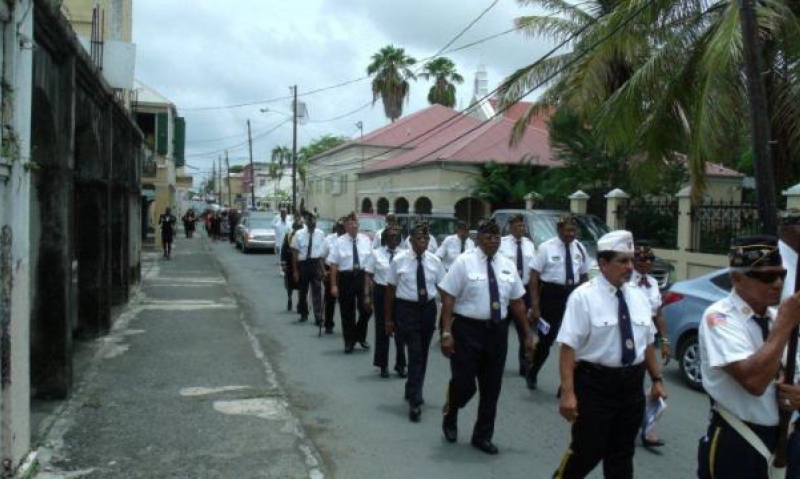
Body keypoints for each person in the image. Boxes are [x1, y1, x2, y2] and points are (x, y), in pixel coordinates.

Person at [552, 230, 667, 479]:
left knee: (622, 455)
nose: (629, 267)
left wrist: (656, 379)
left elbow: (646, 343)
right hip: (595, 387)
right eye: (622, 261)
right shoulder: (583, 297)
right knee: (587, 451)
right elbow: (568, 348)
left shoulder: (638, 296)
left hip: (632, 387)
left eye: (630, 260)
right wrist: (568, 394)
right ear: (603, 263)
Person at [697, 235, 800, 479]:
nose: (776, 283)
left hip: (786, 436)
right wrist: (785, 324)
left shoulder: (776, 318)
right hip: (740, 438)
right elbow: (754, 382)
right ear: (736, 278)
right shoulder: (720, 318)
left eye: (781, 275)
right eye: (766, 276)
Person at [438, 218, 535, 455]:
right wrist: (446, 332)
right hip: (466, 330)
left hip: (497, 332)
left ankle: (482, 436)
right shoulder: (464, 262)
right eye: (487, 236)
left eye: (496, 236)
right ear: (478, 238)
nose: (492, 241)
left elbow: (517, 302)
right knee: (463, 383)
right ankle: (451, 414)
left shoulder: (507, 264)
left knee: (492, 388)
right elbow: (448, 297)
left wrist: (527, 335)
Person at [385, 222, 446, 422]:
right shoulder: (399, 260)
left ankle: (413, 387)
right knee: (415, 352)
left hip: (427, 310)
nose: (423, 242)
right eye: (419, 239)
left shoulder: (435, 261)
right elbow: (390, 290)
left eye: (426, 239)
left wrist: (448, 318)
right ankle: (415, 400)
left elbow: (444, 289)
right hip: (406, 310)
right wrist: (388, 318)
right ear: (410, 241)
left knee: (423, 354)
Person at [526, 214, 590, 390]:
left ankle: (565, 385)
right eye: (568, 230)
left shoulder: (580, 249)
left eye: (574, 230)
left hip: (573, 295)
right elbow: (533, 277)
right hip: (550, 296)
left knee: (574, 340)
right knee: (546, 340)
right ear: (559, 230)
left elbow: (584, 276)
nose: (572, 233)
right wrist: (535, 305)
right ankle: (533, 371)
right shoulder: (546, 248)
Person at [629, 240, 670, 449]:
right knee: (635, 386)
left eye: (650, 259)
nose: (646, 263)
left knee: (654, 384)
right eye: (641, 259)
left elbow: (658, 314)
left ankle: (647, 428)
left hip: (649, 340)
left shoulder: (653, 284)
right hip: (630, 340)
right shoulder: (625, 282)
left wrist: (664, 340)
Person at [328, 213, 374, 354]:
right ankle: (349, 341)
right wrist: (334, 285)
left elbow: (372, 261)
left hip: (362, 277)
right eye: (350, 224)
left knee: (367, 309)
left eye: (355, 223)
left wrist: (372, 280)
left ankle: (359, 336)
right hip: (346, 278)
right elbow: (333, 265)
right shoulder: (339, 242)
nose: (353, 226)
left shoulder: (366, 240)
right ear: (346, 226)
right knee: (347, 312)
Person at [498, 213, 537, 376]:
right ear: (511, 226)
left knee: (524, 328)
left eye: (523, 225)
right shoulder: (502, 244)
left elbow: (534, 268)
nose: (521, 228)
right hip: (507, 290)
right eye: (518, 225)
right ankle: (497, 363)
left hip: (524, 290)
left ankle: (525, 365)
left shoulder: (529, 244)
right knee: (501, 330)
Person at [365, 226, 407, 378]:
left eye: (396, 237)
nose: (393, 239)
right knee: (382, 330)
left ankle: (401, 365)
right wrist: (367, 296)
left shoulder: (404, 255)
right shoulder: (376, 254)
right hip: (381, 292)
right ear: (384, 238)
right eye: (390, 237)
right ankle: (383, 364)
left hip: (399, 294)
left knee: (400, 331)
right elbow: (368, 275)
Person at [292, 215, 328, 324]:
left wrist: (323, 270)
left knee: (317, 291)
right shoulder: (299, 234)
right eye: (311, 221)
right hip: (303, 264)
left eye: (314, 220)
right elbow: (295, 253)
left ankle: (318, 317)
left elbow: (322, 254)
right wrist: (295, 271)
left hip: (316, 263)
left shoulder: (321, 234)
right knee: (303, 291)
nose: (313, 223)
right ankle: (304, 313)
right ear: (306, 222)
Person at [321, 219, 345, 334]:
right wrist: (323, 272)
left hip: (344, 272)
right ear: (336, 228)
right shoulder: (329, 239)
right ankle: (328, 323)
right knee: (330, 299)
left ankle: (347, 325)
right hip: (330, 271)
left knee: (345, 301)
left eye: (343, 227)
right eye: (340, 227)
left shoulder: (349, 240)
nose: (342, 229)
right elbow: (321, 257)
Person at [281, 222, 303, 311]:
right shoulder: (288, 236)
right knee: (289, 284)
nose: (297, 230)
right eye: (296, 228)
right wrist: (283, 263)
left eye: (299, 228)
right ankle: (289, 299)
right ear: (293, 228)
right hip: (290, 262)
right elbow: (283, 249)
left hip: (301, 263)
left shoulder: (303, 236)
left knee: (300, 285)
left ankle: (299, 302)